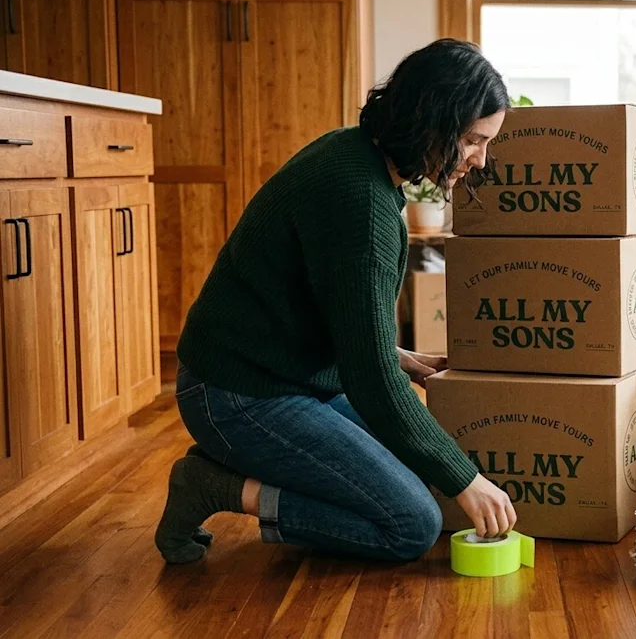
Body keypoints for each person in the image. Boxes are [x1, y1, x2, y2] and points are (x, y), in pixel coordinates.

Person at [155, 39, 517, 564]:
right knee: (411, 523)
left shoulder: (357, 153)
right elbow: (369, 379)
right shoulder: (361, 200)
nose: (479, 160)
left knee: (420, 467)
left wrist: (396, 357)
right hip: (237, 394)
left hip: (287, 375)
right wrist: (468, 479)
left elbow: (328, 310)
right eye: (471, 140)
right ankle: (215, 485)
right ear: (431, 122)